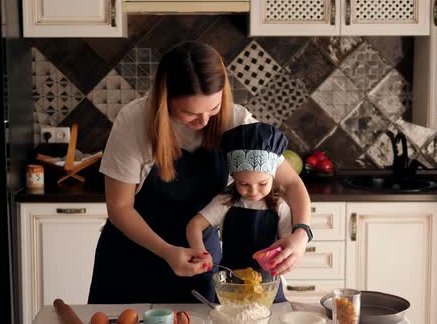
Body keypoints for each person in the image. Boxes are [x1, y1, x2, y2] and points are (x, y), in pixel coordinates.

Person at [88, 41, 312, 304]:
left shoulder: (237, 122)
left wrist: (300, 235)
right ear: (165, 98)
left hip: (200, 258)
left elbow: (292, 185)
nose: (204, 122)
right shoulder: (134, 121)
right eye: (190, 113)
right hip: (132, 257)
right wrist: (167, 251)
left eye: (213, 108)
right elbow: (119, 207)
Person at [186, 122, 293, 302]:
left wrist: (283, 255)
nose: (253, 191)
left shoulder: (280, 206)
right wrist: (200, 250)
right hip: (231, 285)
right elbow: (195, 225)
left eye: (262, 183)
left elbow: (288, 242)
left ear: (273, 177)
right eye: (244, 184)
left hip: (268, 285)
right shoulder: (225, 202)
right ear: (234, 178)